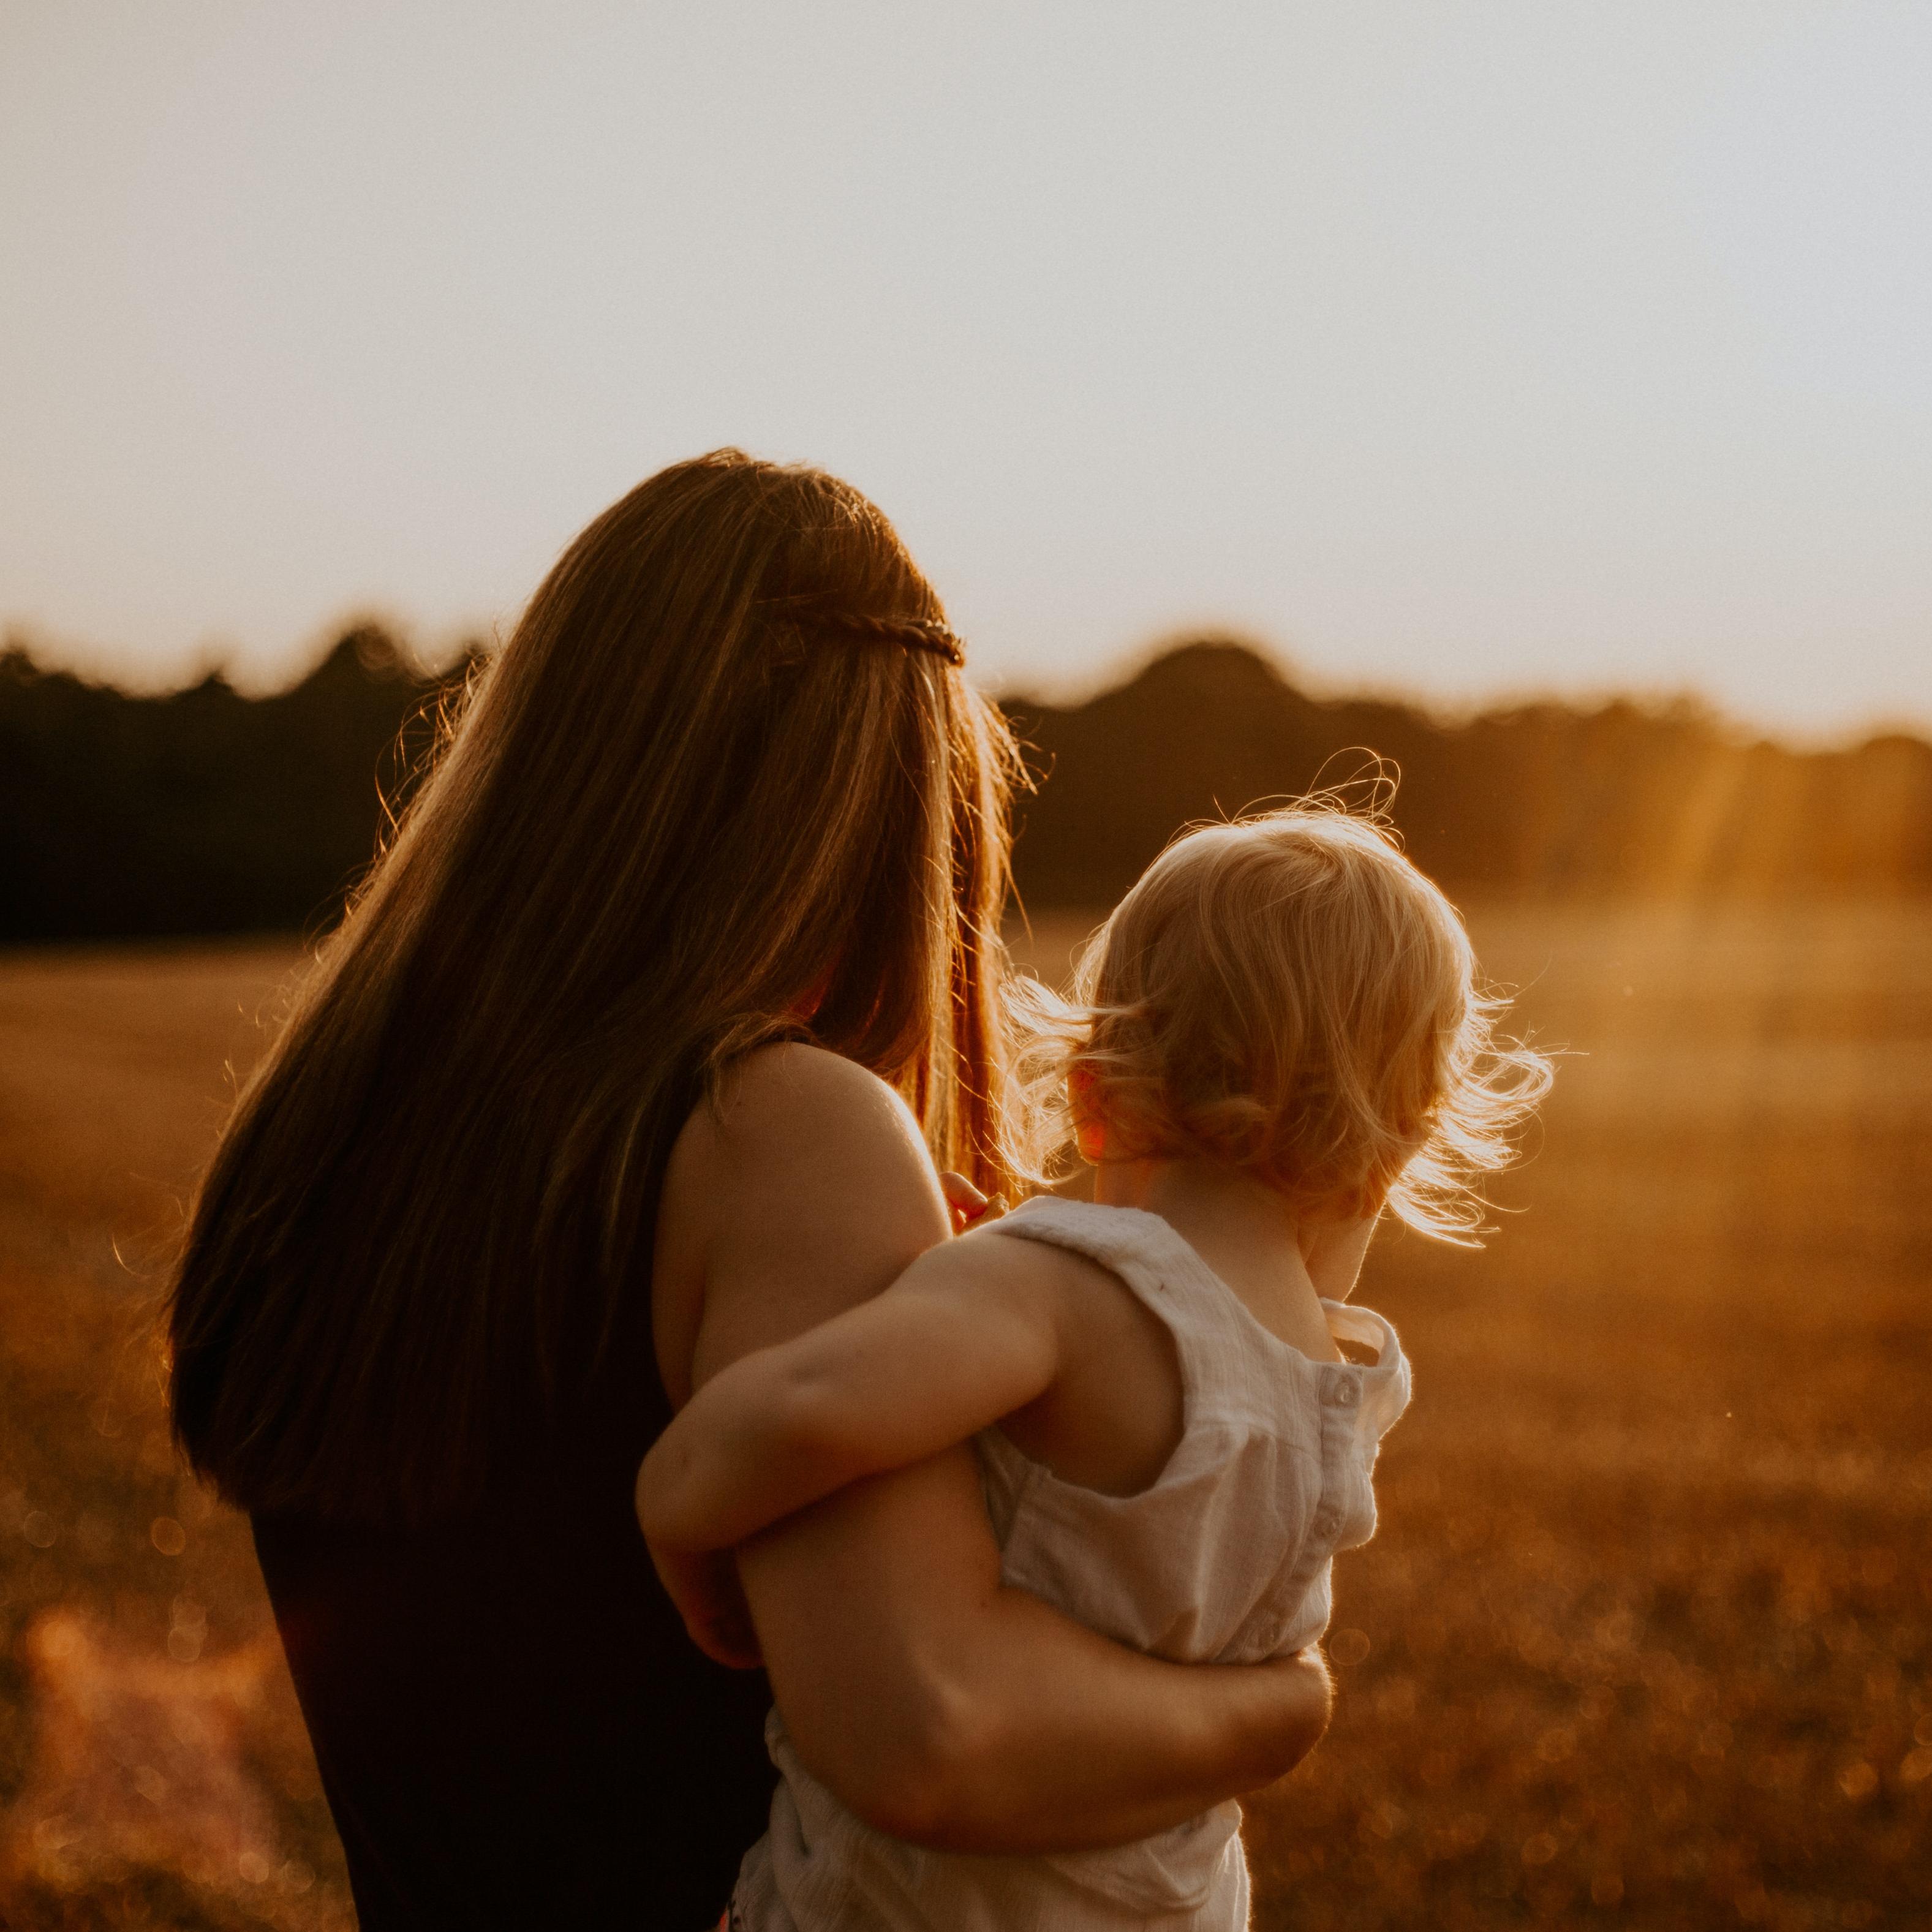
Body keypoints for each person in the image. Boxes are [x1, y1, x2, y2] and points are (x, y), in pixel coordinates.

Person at [165, 451, 1335, 1929]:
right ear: (894, 815)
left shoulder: (328, 1132)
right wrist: (1274, 1707)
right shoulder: (776, 1129)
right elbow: (931, 1730)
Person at [638, 806, 1554, 1929]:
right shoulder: (1339, 1394)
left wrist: (675, 1506)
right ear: (1388, 1158)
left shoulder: (1061, 1288)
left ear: (1090, 1095)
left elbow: (810, 1404)